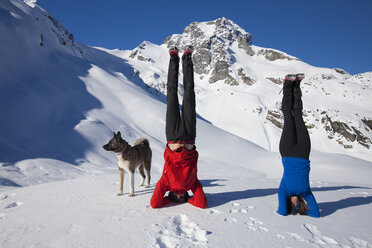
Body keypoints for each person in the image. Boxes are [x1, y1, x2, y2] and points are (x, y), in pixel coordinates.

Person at [150, 46, 208, 209]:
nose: (181, 195)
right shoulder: (192, 184)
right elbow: (202, 204)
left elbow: (154, 204)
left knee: (171, 94)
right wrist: (190, 199)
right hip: (189, 137)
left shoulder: (166, 183)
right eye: (183, 198)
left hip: (173, 137)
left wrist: (167, 199)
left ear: (172, 195)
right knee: (189, 94)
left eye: (178, 198)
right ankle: (187, 58)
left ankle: (173, 58)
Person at [277, 73, 320, 218]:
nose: (295, 205)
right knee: (299, 116)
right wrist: (302, 210)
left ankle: (288, 84)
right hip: (303, 153)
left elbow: (282, 212)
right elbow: (315, 214)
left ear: (289, 203)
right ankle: (297, 86)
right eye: (298, 206)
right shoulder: (305, 192)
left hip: (287, 152)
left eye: (293, 206)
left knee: (289, 117)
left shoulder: (284, 191)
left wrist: (287, 210)